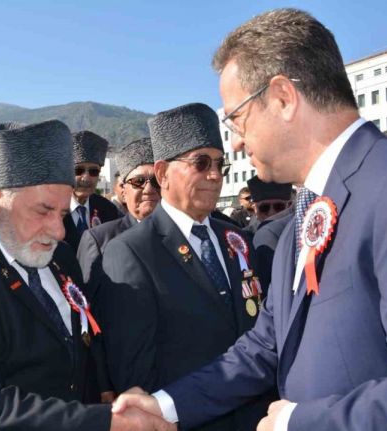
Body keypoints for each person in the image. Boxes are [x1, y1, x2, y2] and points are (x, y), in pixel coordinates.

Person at [112, 9, 387, 431]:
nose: (236, 142)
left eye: (236, 118)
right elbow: (263, 347)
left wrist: (300, 422)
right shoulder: (301, 222)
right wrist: (164, 407)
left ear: (283, 97)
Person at [0, 120, 170, 430]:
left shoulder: (61, 256)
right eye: (43, 211)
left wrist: (116, 400)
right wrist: (105, 422)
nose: (58, 230)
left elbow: (80, 348)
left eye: (62, 214)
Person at [100, 103, 271, 431]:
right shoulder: (132, 251)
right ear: (163, 173)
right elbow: (135, 374)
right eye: (201, 163)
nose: (214, 175)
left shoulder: (237, 239)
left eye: (220, 164)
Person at [76, 137, 160, 404]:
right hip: (124, 382)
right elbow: (89, 318)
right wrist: (103, 385)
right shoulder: (99, 240)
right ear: (122, 190)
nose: (149, 189)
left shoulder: (184, 238)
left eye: (156, 181)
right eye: (138, 181)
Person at [63, 131, 121, 251]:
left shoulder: (108, 209)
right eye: (78, 170)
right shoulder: (53, 210)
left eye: (93, 171)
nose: (86, 178)